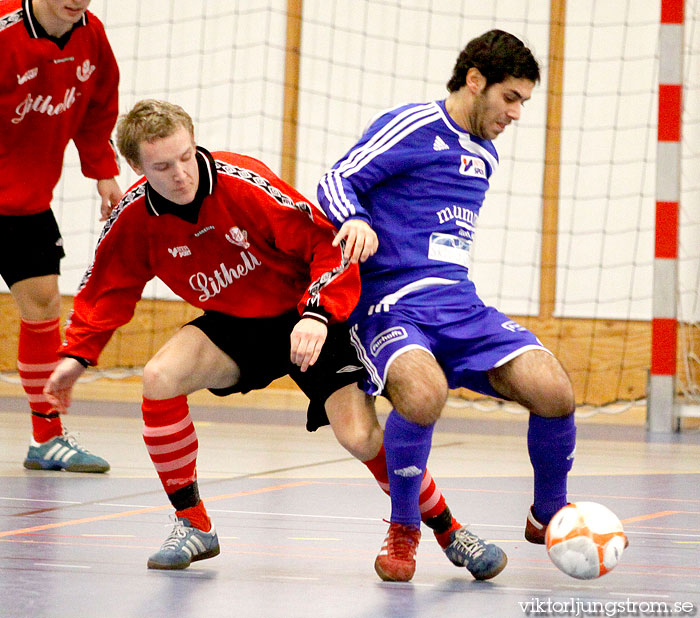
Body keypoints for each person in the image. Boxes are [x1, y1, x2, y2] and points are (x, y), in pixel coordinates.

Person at [44, 100, 505, 579]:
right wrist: (78, 355)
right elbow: (106, 290)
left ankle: (450, 531)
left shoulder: (245, 183)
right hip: (237, 324)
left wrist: (320, 314)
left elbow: (327, 243)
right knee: (160, 377)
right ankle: (193, 523)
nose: (181, 173)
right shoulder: (133, 217)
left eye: (185, 156)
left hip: (307, 314)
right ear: (136, 167)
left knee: (360, 436)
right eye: (162, 166)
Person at [317, 29, 578, 582]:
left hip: (459, 305)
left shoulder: (485, 155)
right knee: (424, 393)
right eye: (510, 98)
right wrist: (355, 220)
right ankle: (405, 527)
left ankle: (547, 513)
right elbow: (336, 179)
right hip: (390, 305)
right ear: (476, 82)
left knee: (554, 388)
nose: (516, 113)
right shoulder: (414, 124)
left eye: (524, 102)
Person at [1, 0, 121, 472]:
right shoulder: (7, 30)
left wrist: (103, 171)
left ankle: (46, 438)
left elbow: (98, 108)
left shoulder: (92, 35)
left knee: (45, 305)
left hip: (27, 204)